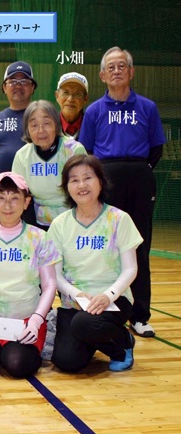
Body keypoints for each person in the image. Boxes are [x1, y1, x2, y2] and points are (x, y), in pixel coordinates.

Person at [79, 47, 166, 338]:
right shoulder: (94, 111)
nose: (116, 71)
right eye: (111, 67)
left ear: (131, 72)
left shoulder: (148, 107)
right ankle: (110, 308)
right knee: (107, 245)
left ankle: (140, 316)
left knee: (139, 245)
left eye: (121, 66)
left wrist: (136, 170)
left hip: (139, 177)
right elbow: (87, 150)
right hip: (107, 177)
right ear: (102, 75)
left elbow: (156, 148)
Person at [48, 154, 143, 372]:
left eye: (88, 178)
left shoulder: (119, 219)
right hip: (76, 302)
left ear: (100, 181)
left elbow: (131, 269)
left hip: (113, 300)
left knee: (84, 324)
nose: (81, 185)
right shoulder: (59, 224)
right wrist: (76, 294)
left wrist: (108, 295)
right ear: (67, 187)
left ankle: (122, 344)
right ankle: (94, 337)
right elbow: (56, 275)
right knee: (66, 361)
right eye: (74, 180)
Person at [0, 172, 59, 378]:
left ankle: (41, 337)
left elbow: (50, 284)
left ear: (26, 202)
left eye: (15, 198)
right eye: (1, 198)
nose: (7, 205)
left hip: (25, 322)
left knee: (17, 364)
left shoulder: (39, 238)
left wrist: (36, 320)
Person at [12, 100, 87, 230]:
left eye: (47, 123)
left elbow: (86, 188)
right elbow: (18, 193)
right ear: (27, 129)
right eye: (34, 125)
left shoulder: (73, 150)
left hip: (74, 217)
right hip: (36, 220)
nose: (41, 130)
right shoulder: (22, 155)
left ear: (56, 125)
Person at [0, 61, 37, 192]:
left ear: (32, 87)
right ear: (4, 87)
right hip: (3, 194)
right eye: (12, 82)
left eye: (24, 81)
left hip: (35, 193)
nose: (18, 86)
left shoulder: (41, 117)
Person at [55, 72, 89, 139]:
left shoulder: (92, 126)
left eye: (77, 94)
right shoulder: (50, 126)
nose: (70, 99)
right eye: (65, 93)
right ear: (57, 96)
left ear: (85, 98)